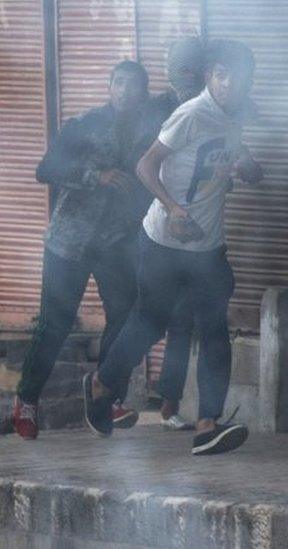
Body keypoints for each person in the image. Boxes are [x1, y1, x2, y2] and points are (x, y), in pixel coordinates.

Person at [85, 40, 263, 456]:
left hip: (208, 247)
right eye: (223, 74)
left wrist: (250, 169)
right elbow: (145, 165)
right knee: (149, 322)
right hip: (164, 241)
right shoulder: (191, 114)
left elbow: (242, 163)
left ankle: (207, 425)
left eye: (239, 76)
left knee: (215, 330)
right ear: (209, 77)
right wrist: (173, 207)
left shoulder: (236, 115)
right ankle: (99, 385)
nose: (231, 84)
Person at [12, 61, 159, 440]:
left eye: (134, 85)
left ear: (144, 93)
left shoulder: (150, 132)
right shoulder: (85, 125)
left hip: (116, 241)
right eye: (119, 83)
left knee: (124, 317)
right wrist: (96, 177)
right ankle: (27, 400)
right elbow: (46, 169)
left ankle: (105, 395)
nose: (126, 91)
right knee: (55, 323)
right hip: (69, 241)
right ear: (109, 87)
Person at [144, 36, 209, 432]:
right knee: (147, 317)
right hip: (153, 230)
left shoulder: (210, 109)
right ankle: (105, 391)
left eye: (192, 67)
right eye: (180, 68)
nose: (185, 76)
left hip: (191, 232)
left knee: (182, 321)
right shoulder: (156, 110)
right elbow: (144, 165)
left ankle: (169, 404)